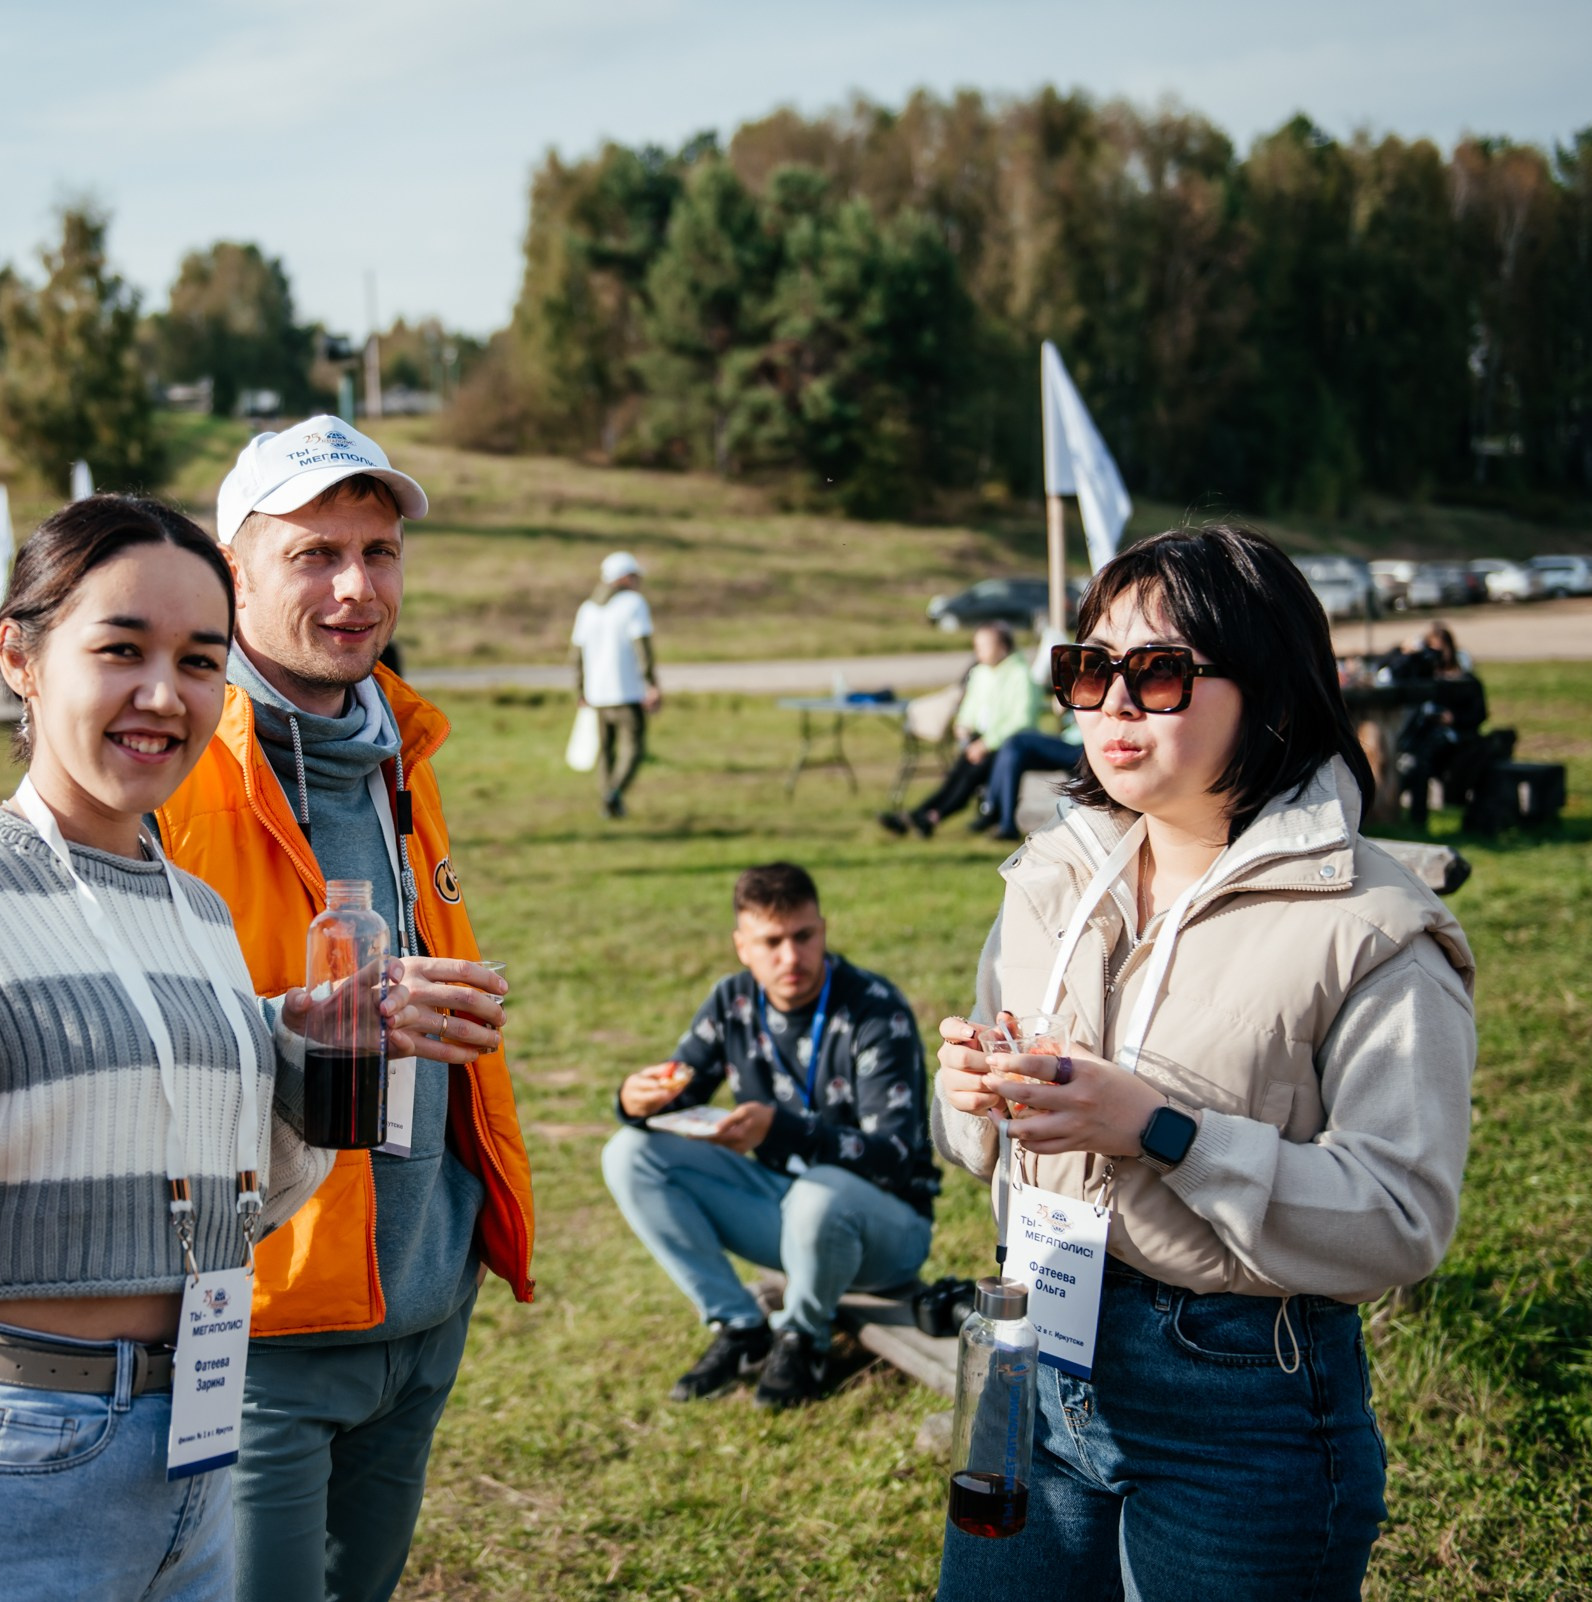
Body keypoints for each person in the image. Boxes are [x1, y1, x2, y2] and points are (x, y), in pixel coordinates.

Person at [0, 496, 461, 1599]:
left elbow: (243, 1210)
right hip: (9, 1464)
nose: (165, 695)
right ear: (20, 658)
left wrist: (290, 1052)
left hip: (200, 1447)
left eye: (200, 660)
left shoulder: (196, 910)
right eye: (122, 649)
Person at [931, 524, 1476, 1600]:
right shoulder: (1051, 879)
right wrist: (975, 1097)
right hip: (1037, 1351)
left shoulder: (1375, 929)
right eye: (1089, 669)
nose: (1112, 705)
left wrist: (1161, 1132)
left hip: (1238, 1400)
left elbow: (1402, 1219)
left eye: (1159, 673)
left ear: (1268, 693)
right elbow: (978, 1140)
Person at [154, 416, 535, 1602]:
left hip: (422, 1304)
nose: (357, 588)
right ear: (230, 575)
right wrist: (320, 1021)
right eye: (314, 555)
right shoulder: (166, 769)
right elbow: (127, 1046)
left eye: (378, 552)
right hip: (261, 1327)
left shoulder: (397, 745)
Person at [603, 861, 937, 1409]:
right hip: (788, 1214)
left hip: (886, 1233)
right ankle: (740, 1327)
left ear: (823, 930)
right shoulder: (732, 1001)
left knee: (820, 1194)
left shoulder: (875, 1009)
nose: (791, 957)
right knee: (630, 1154)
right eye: (771, 941)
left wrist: (779, 1129)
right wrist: (636, 1099)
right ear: (742, 946)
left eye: (803, 936)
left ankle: (804, 1339)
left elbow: (895, 1158)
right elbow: (677, 1094)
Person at [882, 622, 1041, 838]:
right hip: (979, 740)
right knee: (957, 776)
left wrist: (986, 744)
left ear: (1002, 647)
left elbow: (1022, 721)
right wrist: (962, 726)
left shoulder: (1020, 675)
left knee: (966, 778)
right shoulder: (980, 672)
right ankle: (924, 816)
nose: (978, 651)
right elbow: (969, 709)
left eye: (984, 646)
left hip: (1007, 744)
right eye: (976, 646)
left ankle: (923, 816)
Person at [571, 551, 662, 817]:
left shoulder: (587, 608)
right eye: (634, 576)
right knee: (634, 748)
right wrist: (651, 684)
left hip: (597, 694)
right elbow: (642, 647)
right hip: (627, 691)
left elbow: (577, 655)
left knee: (605, 751)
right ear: (623, 578)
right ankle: (614, 793)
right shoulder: (633, 604)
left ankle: (608, 800)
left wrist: (580, 690)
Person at [980, 726, 1082, 842]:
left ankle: (992, 810)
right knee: (1012, 753)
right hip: (1068, 740)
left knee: (1017, 741)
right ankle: (1003, 820)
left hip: (1078, 747)